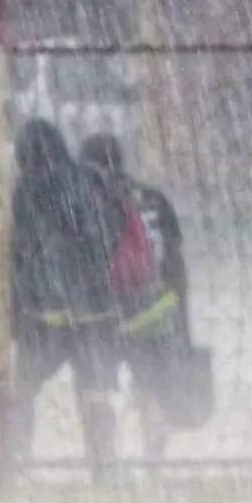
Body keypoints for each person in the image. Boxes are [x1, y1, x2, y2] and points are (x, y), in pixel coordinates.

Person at [9, 118, 124, 481]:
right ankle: (105, 469)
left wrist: (21, 305)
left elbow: (23, 251)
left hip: (49, 312)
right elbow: (114, 231)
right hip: (97, 309)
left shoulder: (27, 189)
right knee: (95, 392)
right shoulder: (93, 180)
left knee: (20, 390)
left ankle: (15, 464)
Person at [79, 132, 189, 464]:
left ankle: (107, 467)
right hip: (155, 310)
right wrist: (181, 314)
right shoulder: (153, 199)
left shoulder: (90, 201)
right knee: (151, 391)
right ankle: (153, 469)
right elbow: (175, 260)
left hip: (109, 314)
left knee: (99, 390)